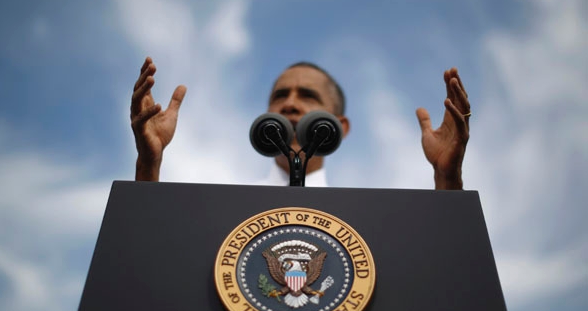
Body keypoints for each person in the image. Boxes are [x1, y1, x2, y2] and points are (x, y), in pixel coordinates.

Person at [130, 57, 470, 189]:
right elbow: (151, 255)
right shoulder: (223, 207)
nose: (289, 103)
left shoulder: (371, 218)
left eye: (307, 95)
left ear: (341, 127)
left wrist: (447, 178)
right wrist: (149, 165)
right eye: (279, 96)